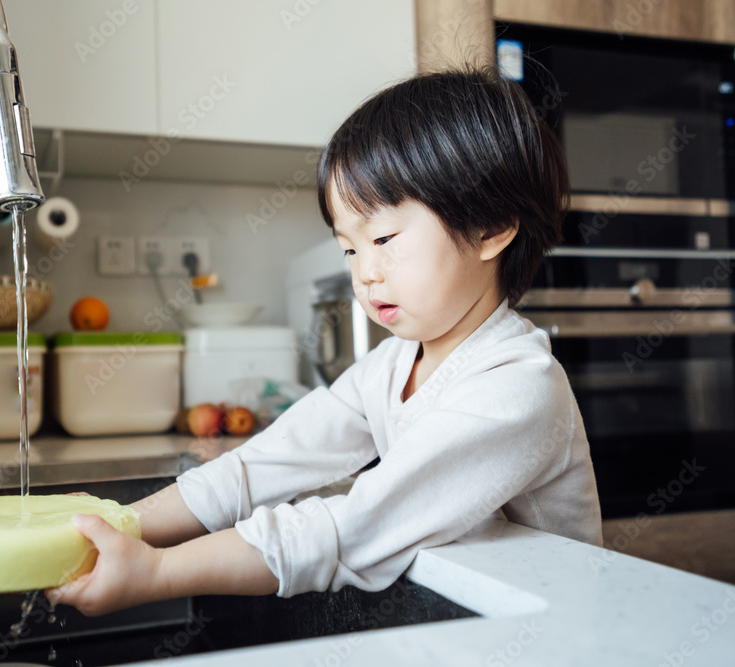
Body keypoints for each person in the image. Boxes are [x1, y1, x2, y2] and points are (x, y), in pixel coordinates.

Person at [46, 66, 602, 616]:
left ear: (490, 229)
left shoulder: (515, 388)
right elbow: (264, 463)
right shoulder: (391, 365)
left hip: (554, 640)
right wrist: (121, 522)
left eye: (383, 237)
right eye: (350, 249)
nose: (365, 273)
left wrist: (159, 572)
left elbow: (356, 526)